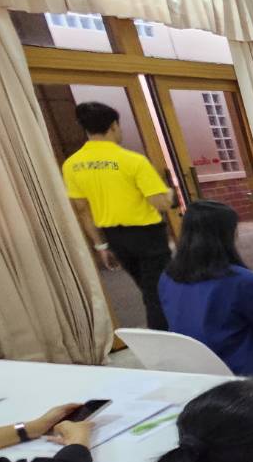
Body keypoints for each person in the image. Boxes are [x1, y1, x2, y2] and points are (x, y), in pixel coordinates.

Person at [62, 101, 175, 329]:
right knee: (160, 294)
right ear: (114, 126)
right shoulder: (132, 161)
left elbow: (82, 210)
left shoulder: (72, 165)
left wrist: (100, 246)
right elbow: (162, 203)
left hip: (115, 238)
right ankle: (169, 345)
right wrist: (170, 192)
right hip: (148, 237)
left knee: (147, 290)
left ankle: (168, 338)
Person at [159, 200, 253, 376]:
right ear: (224, 235)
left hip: (198, 370)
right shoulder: (240, 281)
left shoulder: (168, 277)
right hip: (251, 371)